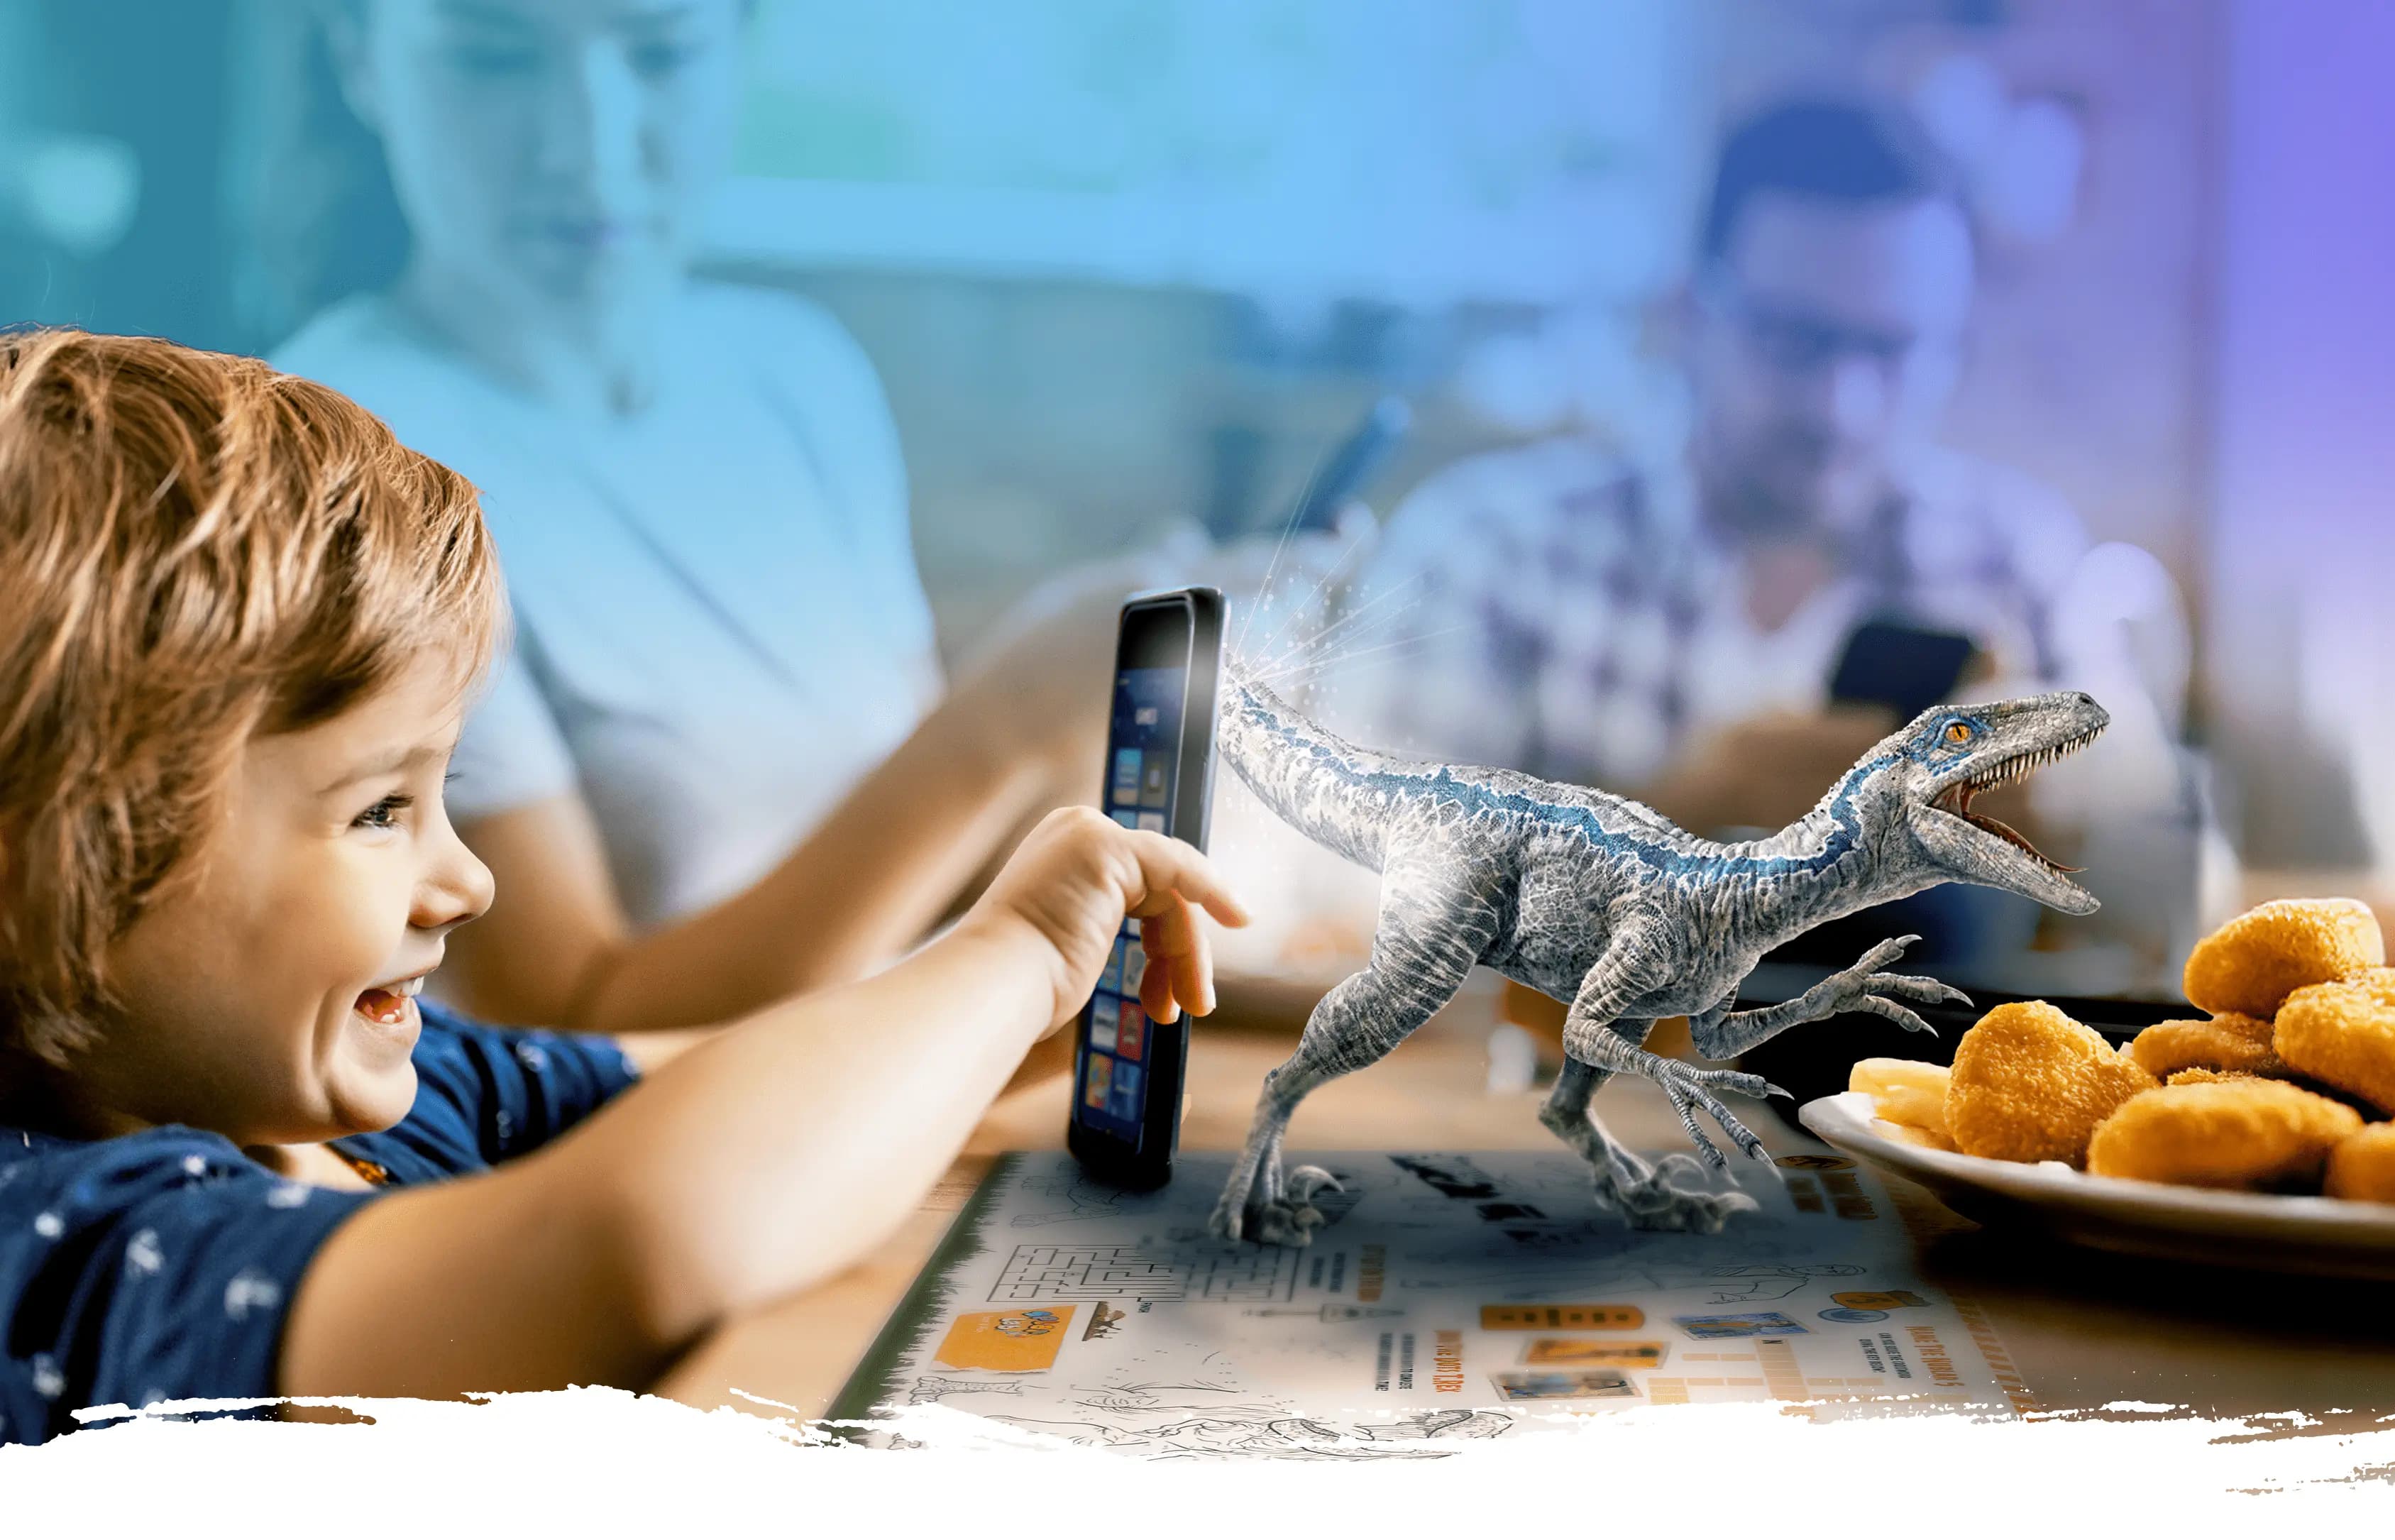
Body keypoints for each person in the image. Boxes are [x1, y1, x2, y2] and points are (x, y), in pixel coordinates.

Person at [0, 330, 1246, 1443]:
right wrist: (1013, 953)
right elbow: (662, 1225)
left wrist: (1003, 1024)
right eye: (380, 810)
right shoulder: (64, 1259)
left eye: (444, 790)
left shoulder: (375, 1100)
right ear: (63, 870)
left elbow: (705, 1078)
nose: (466, 879)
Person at [255, 0, 1311, 1034]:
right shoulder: (342, 469)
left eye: (661, 54)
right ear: (360, 55)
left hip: (886, 1096)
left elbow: (921, 890)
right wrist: (1009, 719)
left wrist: (1098, 695)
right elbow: (565, 1030)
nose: (589, 145)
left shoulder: (796, 374)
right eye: (496, 58)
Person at [1332, 97, 2191, 981]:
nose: (1840, 405)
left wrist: (2064, 814)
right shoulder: (1493, 546)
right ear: (1688, 317)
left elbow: (2168, 896)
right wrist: (1696, 809)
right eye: (1794, 340)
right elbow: (1351, 896)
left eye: (1892, 349)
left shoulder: (2013, 554)